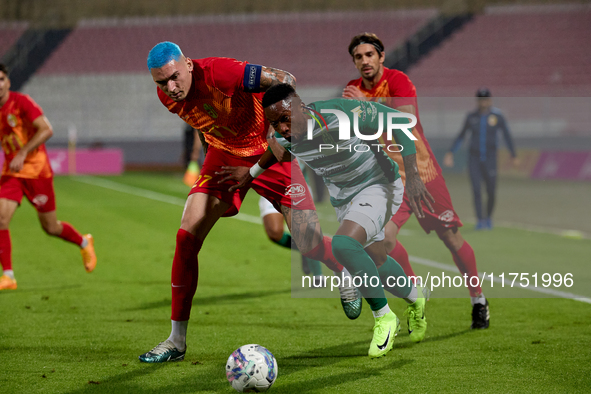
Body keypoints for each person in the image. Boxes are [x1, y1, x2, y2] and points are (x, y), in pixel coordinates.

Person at [139, 42, 359, 363]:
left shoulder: (221, 73)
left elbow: (286, 80)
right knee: (186, 236)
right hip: (224, 156)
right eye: (161, 82)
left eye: (174, 77)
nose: (170, 88)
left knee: (309, 243)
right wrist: (207, 162)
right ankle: (176, 341)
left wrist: (281, 131)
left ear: (187, 64)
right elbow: (205, 122)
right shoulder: (168, 98)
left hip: (269, 150)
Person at [222, 83, 434, 357]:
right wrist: (248, 176)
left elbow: (400, 123)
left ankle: (384, 318)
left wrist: (414, 177)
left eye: (286, 119)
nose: (283, 128)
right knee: (377, 261)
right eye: (275, 123)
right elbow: (274, 153)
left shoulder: (340, 113)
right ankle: (417, 299)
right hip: (345, 197)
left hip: (379, 184)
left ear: (300, 106)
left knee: (343, 245)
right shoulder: (285, 136)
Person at [342, 33, 490, 329]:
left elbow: (403, 124)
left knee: (449, 237)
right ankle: (415, 290)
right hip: (387, 179)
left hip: (422, 173)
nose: (364, 61)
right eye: (358, 57)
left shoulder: (398, 82)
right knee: (382, 239)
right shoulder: (352, 90)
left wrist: (365, 108)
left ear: (381, 57)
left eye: (370, 55)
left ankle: (478, 300)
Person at [0, 63, 97, 291]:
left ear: (8, 82)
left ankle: (84, 242)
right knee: (1, 219)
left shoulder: (21, 102)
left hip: (36, 171)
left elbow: (46, 129)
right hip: (12, 172)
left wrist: (23, 152)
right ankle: (9, 276)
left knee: (50, 227)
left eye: (1, 79)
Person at [444, 88, 518, 230]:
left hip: (490, 159)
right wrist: (450, 152)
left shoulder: (497, 116)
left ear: (490, 100)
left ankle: (488, 217)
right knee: (476, 190)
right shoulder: (471, 117)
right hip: (474, 159)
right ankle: (480, 220)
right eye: (480, 100)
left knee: (491, 191)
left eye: (485, 100)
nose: (483, 103)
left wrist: (513, 154)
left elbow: (507, 135)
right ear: (477, 101)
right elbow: (462, 135)